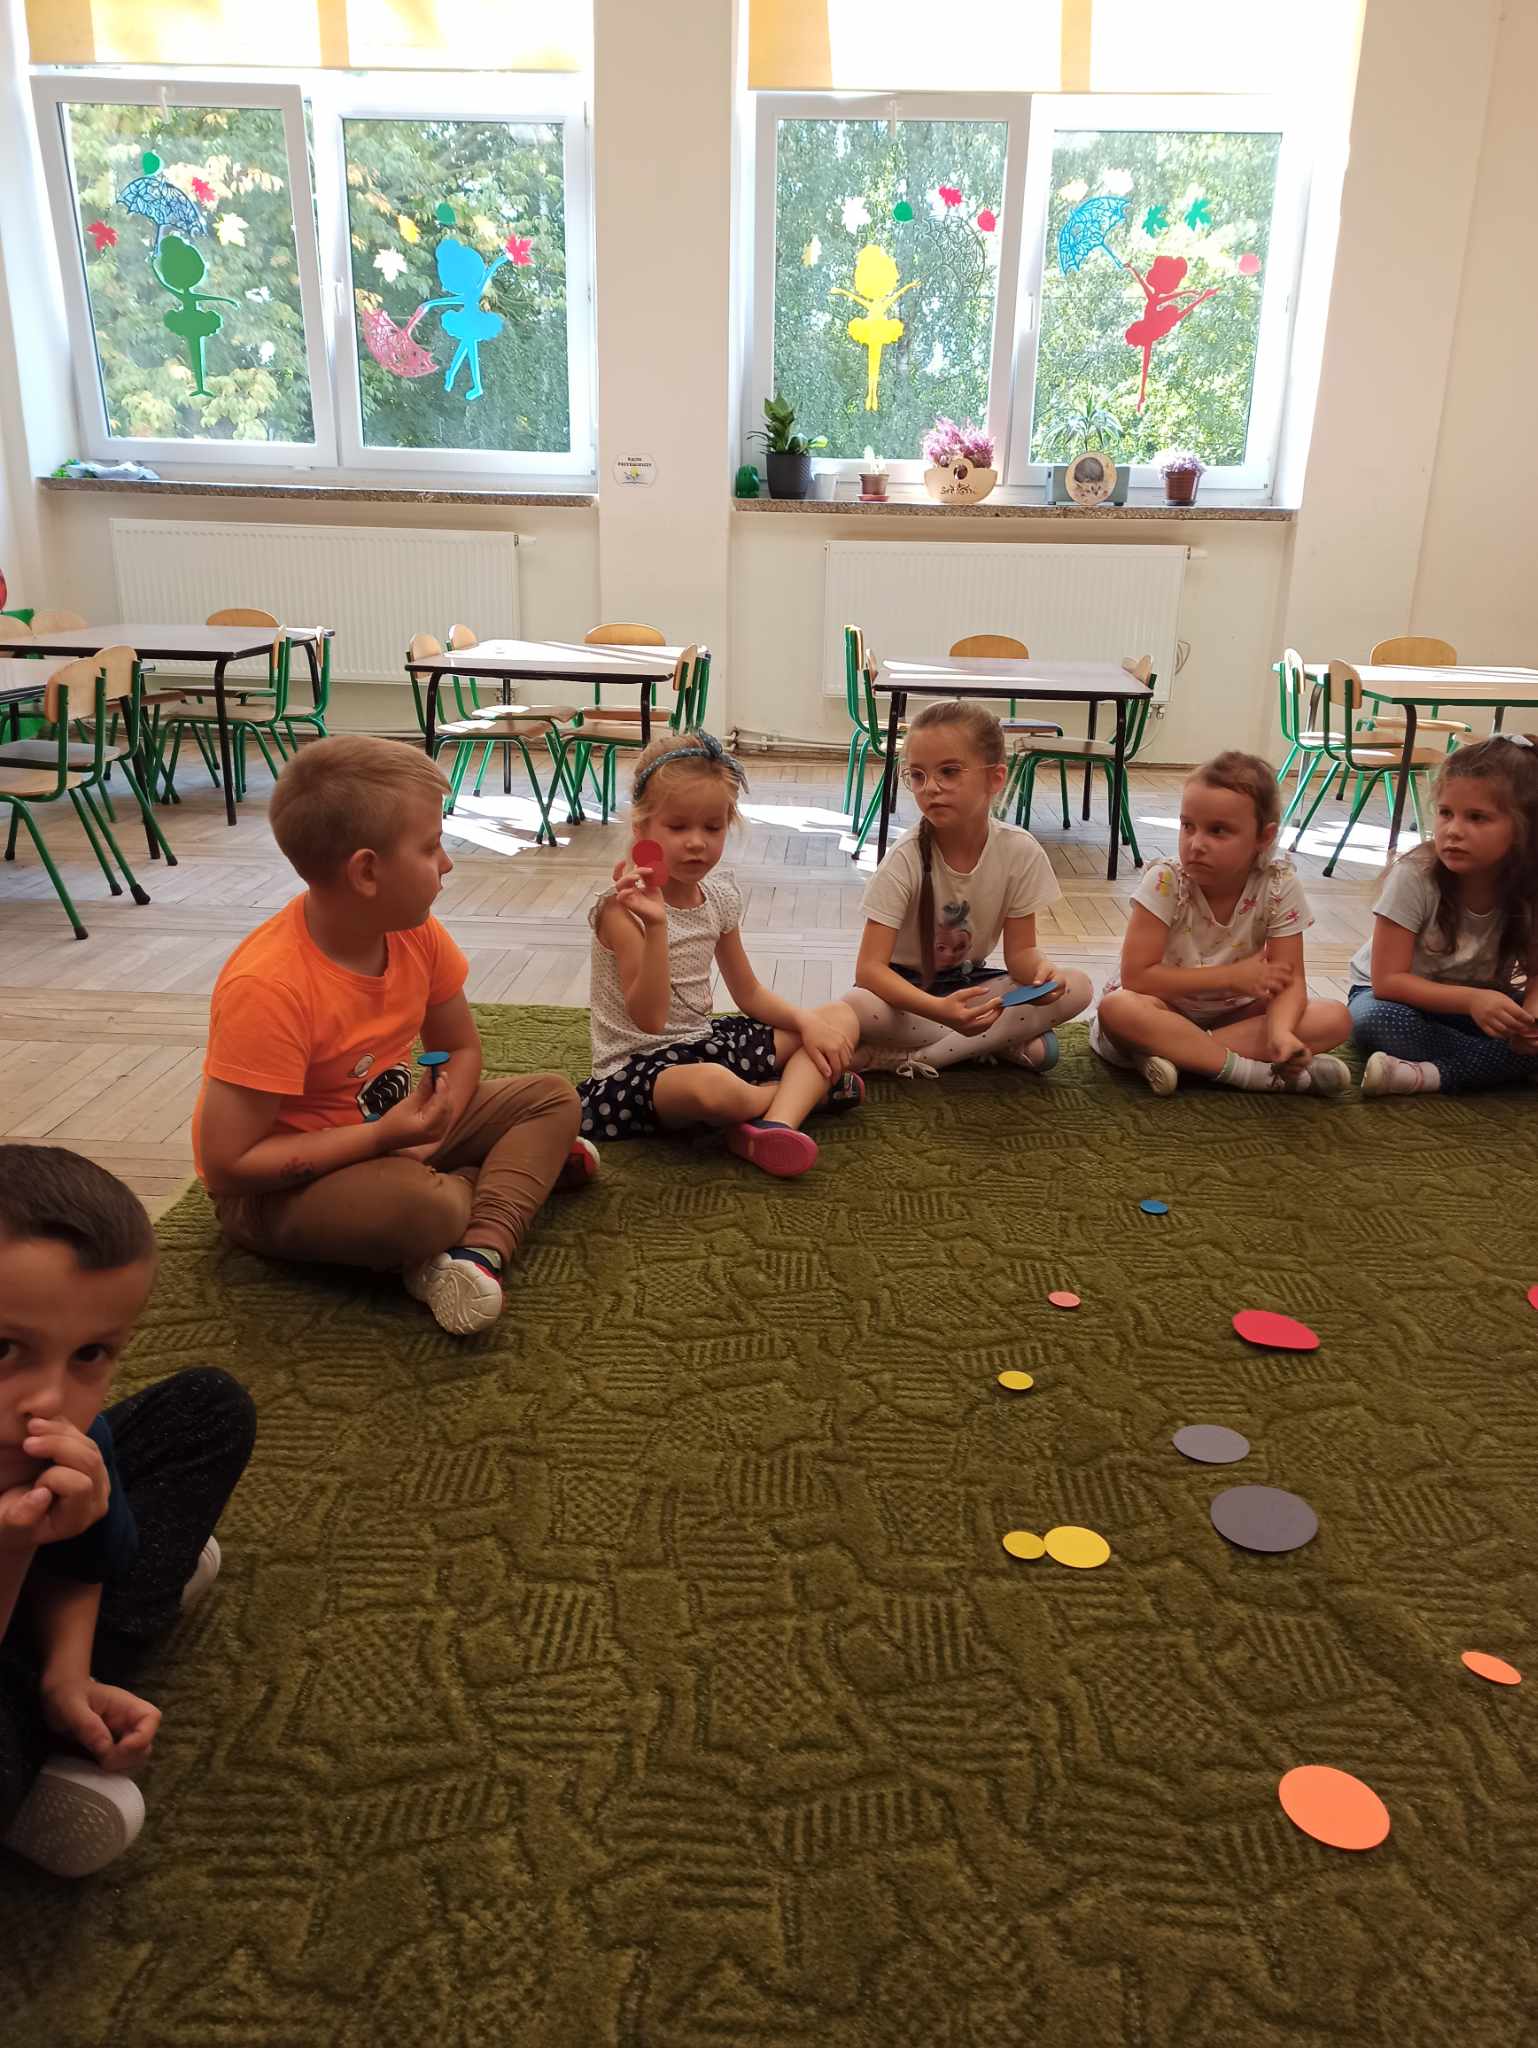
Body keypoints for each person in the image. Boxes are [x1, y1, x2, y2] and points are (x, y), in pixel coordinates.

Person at [195, 738, 586, 1338]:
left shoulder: (413, 932)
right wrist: (384, 1138)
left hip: (396, 1133)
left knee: (552, 1097)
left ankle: (479, 1249)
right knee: (428, 1209)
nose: (447, 863)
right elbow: (228, 1168)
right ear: (367, 871)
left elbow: (461, 1048)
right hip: (282, 1189)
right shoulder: (268, 988)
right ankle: (495, 1186)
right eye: (431, 847)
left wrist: (434, 1125)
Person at [0, 1146, 254, 1879]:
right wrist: (13, 1551)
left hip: (30, 1607)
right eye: (4, 1348)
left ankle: (47, 1716)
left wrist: (68, 1677)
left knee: (210, 1405)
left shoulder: (67, 1437)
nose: (50, 1400)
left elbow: (82, 1561)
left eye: (90, 1354)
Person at [580, 731, 861, 1179]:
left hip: (704, 1042)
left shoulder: (719, 897)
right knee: (714, 1089)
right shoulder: (620, 911)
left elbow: (748, 992)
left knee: (839, 1019)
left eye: (712, 828)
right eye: (678, 827)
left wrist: (807, 1023)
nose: (697, 842)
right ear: (642, 830)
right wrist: (656, 925)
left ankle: (774, 1125)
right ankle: (805, 1092)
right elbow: (649, 1020)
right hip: (637, 1068)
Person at [845, 701, 1092, 1074]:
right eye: (917, 775)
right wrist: (940, 1010)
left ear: (995, 778)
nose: (930, 788)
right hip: (905, 996)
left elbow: (1021, 954)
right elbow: (869, 971)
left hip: (970, 985)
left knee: (1078, 986)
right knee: (856, 1007)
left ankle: (912, 1058)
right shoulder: (905, 857)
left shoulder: (1020, 851)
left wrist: (1044, 974)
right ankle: (989, 1042)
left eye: (948, 772)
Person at [1093, 749, 1351, 1095]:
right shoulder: (1166, 881)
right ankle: (1253, 1074)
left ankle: (1182, 1056)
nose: (1196, 844)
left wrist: (1281, 1032)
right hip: (1161, 1007)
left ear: (1264, 837)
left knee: (1335, 1018)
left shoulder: (1279, 885)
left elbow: (1289, 981)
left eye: (1218, 831)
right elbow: (1137, 978)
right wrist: (1231, 977)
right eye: (1187, 826)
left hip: (1233, 1017)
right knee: (1118, 1009)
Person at [1348, 735, 1538, 1094]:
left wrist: (1531, 1020)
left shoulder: (1529, 884)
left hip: (1481, 1005)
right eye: (1445, 813)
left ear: (1523, 829)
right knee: (1376, 1021)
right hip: (1398, 1000)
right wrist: (1472, 1001)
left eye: (1477, 818)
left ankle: (1425, 1074)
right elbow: (1388, 981)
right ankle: (1488, 1065)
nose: (1453, 830)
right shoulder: (1414, 876)